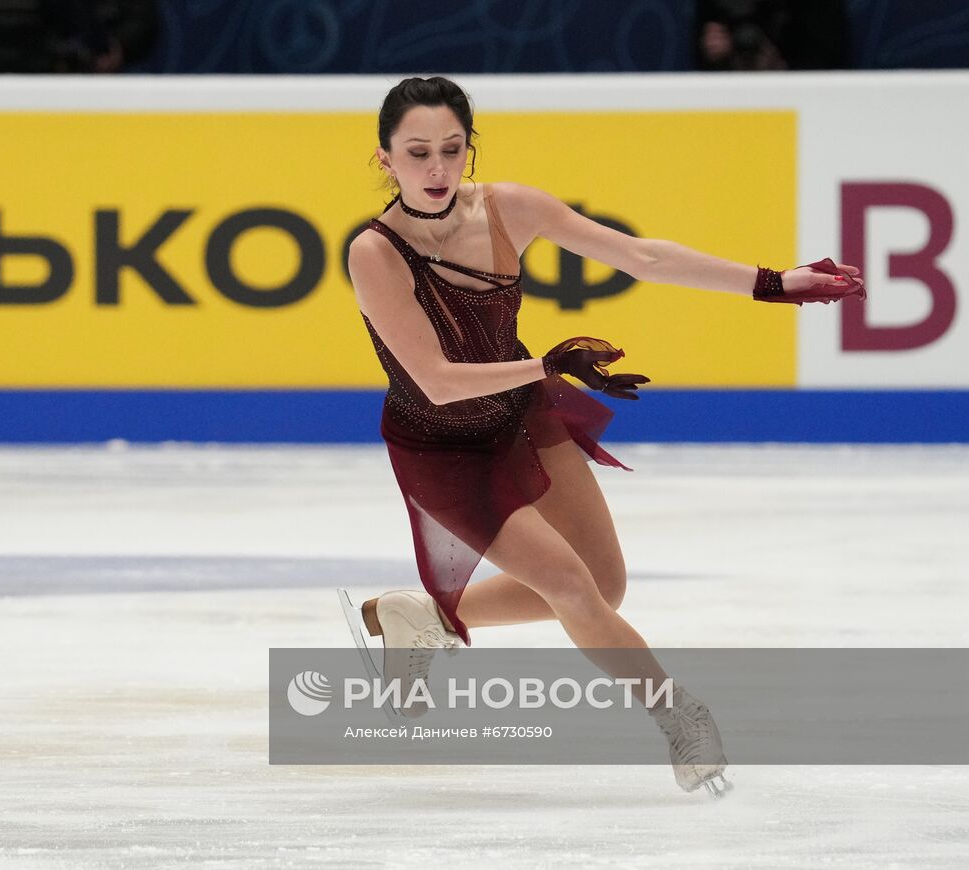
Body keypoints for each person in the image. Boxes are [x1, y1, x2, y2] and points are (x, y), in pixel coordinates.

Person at [335, 76, 865, 797]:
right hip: (442, 446)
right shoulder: (375, 252)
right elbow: (434, 377)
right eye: (417, 153)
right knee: (571, 587)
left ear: (470, 149)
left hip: (520, 415)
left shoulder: (509, 208)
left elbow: (642, 257)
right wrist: (548, 363)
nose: (436, 169)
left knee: (603, 584)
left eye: (452, 150)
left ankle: (424, 615)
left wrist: (773, 283)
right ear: (385, 159)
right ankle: (682, 719)